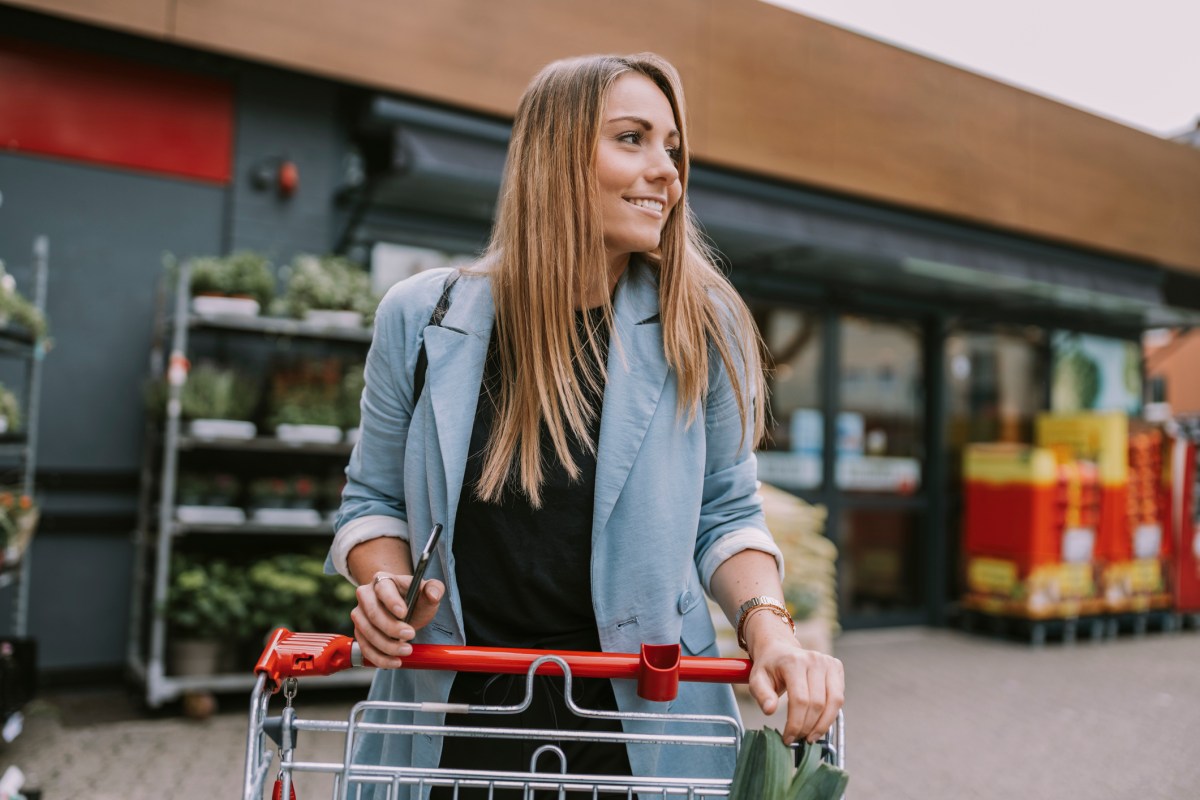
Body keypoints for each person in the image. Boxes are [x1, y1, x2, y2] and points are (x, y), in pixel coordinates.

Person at [330, 52, 844, 797]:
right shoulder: (421, 317)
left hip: (641, 732)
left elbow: (726, 514)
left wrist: (769, 628)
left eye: (672, 147)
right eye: (632, 138)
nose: (667, 170)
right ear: (556, 156)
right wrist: (385, 587)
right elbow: (371, 501)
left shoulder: (700, 325)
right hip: (451, 726)